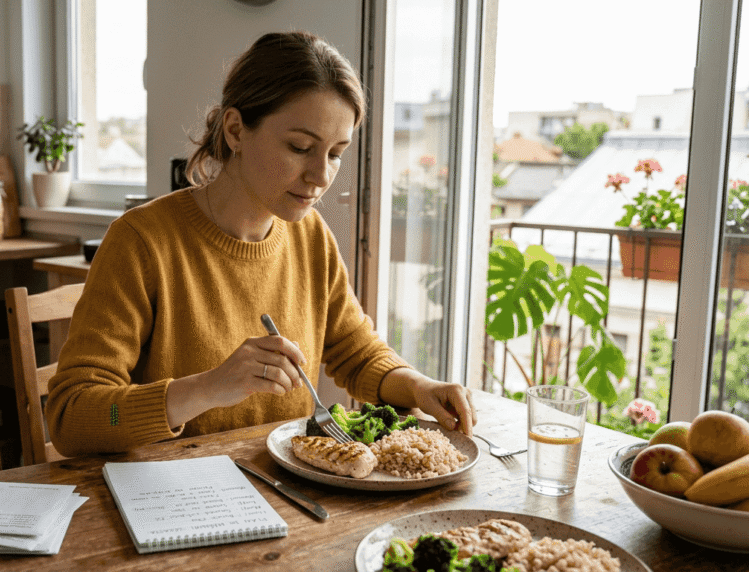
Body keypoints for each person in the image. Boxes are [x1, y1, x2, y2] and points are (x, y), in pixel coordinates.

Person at [44, 30, 475, 457]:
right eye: (300, 146)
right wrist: (208, 387)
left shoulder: (310, 236)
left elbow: (357, 353)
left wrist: (420, 386)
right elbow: (71, 416)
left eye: (335, 153)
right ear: (235, 130)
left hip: (282, 496)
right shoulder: (141, 241)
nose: (321, 176)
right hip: (166, 502)